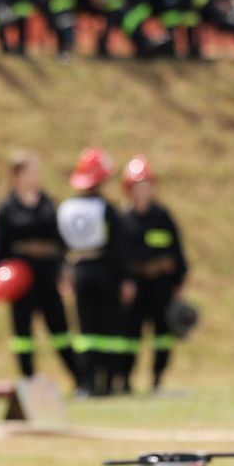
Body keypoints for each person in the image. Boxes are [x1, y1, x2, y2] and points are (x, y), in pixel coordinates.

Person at [0, 152, 82, 384]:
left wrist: (63, 269)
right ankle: (28, 378)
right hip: (21, 281)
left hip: (47, 277)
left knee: (60, 328)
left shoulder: (48, 204)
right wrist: (1, 275)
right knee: (23, 333)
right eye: (30, 172)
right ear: (16, 175)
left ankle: (80, 379)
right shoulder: (7, 209)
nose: (34, 177)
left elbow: (61, 241)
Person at [59, 147, 135, 396]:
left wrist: (65, 272)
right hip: (106, 272)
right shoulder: (106, 209)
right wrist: (125, 277)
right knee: (109, 327)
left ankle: (86, 383)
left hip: (79, 271)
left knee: (85, 329)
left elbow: (61, 245)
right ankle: (109, 380)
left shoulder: (66, 208)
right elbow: (119, 245)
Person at [121, 156, 189, 392]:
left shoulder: (163, 217)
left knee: (163, 335)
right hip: (136, 288)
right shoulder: (124, 221)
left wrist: (179, 282)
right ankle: (126, 380)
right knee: (131, 336)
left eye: (147, 186)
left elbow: (177, 252)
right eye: (138, 187)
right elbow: (119, 257)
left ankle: (157, 379)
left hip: (161, 286)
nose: (143, 191)